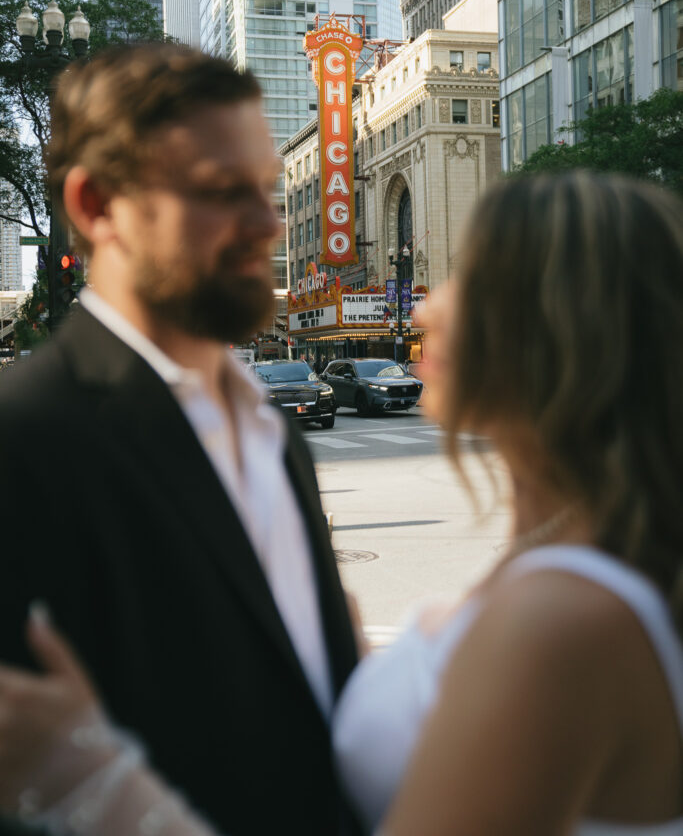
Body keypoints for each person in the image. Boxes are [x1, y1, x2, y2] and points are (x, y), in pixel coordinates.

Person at [1, 172, 682, 836]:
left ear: (557, 333)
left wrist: (81, 773)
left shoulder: (559, 617)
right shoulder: (568, 563)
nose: (423, 309)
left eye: (464, 284)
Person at [0, 45, 360, 836]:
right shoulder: (24, 440)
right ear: (96, 206)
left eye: (265, 187)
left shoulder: (272, 432)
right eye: (220, 191)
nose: (267, 222)